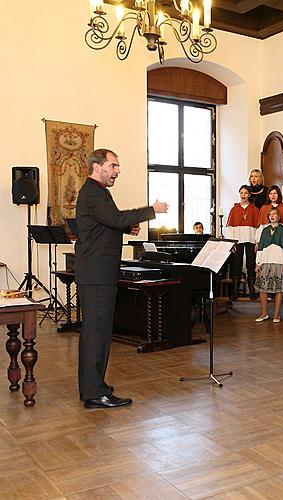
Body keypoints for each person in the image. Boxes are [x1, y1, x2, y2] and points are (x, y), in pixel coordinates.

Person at [75, 148, 167, 408]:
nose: (117, 171)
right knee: (96, 333)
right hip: (96, 274)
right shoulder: (93, 192)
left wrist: (127, 226)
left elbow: (106, 223)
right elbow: (113, 218)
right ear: (97, 167)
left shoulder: (97, 192)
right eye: (113, 166)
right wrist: (152, 210)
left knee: (99, 332)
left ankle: (96, 388)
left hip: (98, 272)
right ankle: (94, 393)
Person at [254, 207, 283, 323]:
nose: (272, 216)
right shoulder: (264, 231)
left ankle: (276, 315)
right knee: (263, 289)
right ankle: (264, 313)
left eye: (274, 214)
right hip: (265, 261)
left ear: (278, 216)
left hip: (279, 261)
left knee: (278, 289)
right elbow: (260, 248)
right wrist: (258, 263)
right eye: (270, 214)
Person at [225, 185, 259, 300]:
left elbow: (258, 227)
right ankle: (235, 292)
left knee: (251, 265)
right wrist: (231, 243)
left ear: (249, 195)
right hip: (238, 241)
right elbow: (230, 227)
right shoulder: (234, 209)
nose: (243, 195)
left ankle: (252, 291)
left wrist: (257, 242)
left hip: (250, 240)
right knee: (236, 265)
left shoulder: (254, 209)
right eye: (241, 193)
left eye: (245, 193)